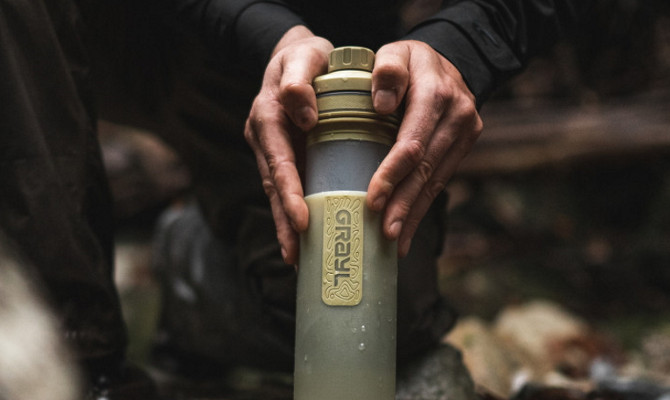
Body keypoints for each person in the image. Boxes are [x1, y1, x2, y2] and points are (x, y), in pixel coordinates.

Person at [0, 0, 590, 399]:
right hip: (108, 26)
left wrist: (463, 44)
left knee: (382, 321)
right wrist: (260, 27)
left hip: (329, 57)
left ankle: (191, 258)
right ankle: (80, 360)